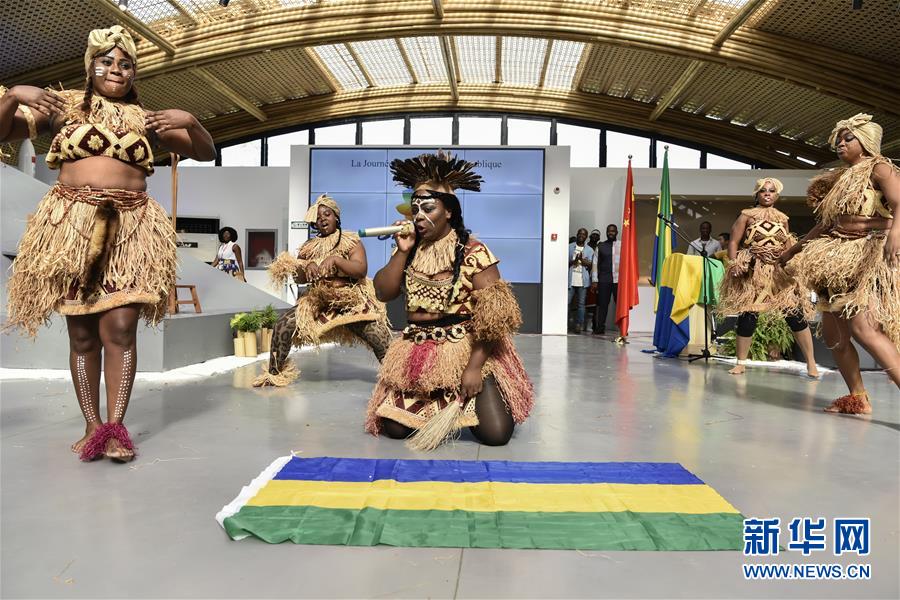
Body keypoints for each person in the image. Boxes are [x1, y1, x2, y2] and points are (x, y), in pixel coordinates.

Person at [1, 26, 216, 462]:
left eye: (125, 63)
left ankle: (116, 427)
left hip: (131, 229)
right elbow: (3, 133)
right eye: (106, 61)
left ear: (134, 72)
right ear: (90, 66)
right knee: (82, 337)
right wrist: (12, 96)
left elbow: (206, 152)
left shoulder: (149, 120)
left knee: (120, 328)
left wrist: (190, 121)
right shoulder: (62, 108)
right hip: (71, 227)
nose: (116, 70)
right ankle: (91, 425)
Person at [366, 151, 534, 450]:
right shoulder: (410, 249)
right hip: (417, 349)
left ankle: (454, 404)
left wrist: (473, 368)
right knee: (394, 429)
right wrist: (402, 251)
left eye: (428, 208)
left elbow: (493, 320)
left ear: (449, 212)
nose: (418, 216)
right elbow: (382, 292)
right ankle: (441, 408)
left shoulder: (474, 252)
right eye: (414, 208)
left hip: (467, 348)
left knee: (495, 435)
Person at [781, 114, 900, 414]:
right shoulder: (838, 178)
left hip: (867, 255)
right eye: (839, 139)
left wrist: (895, 234)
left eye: (849, 138)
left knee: (865, 329)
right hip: (834, 260)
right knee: (835, 336)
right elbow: (825, 225)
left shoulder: (880, 168)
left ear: (867, 141)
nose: (840, 143)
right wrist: (792, 250)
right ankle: (857, 397)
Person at [253, 194, 393, 386]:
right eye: (318, 218)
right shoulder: (308, 247)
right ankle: (274, 374)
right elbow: (298, 278)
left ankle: (396, 376)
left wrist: (336, 260)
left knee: (377, 333)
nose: (323, 219)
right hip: (317, 299)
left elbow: (361, 270)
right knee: (282, 325)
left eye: (327, 214)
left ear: (336, 216)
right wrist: (306, 266)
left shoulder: (350, 240)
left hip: (349, 299)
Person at [717, 178, 818, 378]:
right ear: (757, 194)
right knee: (748, 316)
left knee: (795, 315)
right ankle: (741, 362)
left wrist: (793, 267)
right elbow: (734, 241)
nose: (767, 194)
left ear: (777, 195)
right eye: (763, 191)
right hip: (755, 271)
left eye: (771, 191)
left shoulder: (783, 218)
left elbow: (788, 245)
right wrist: (734, 263)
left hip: (779, 272)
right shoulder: (747, 215)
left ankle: (811, 363)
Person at [590, 224, 620, 335]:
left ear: (616, 232)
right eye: (609, 231)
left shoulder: (622, 245)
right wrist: (594, 280)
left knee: (620, 305)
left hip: (618, 280)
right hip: (604, 280)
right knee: (602, 305)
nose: (610, 233)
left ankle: (623, 328)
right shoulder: (601, 246)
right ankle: (600, 328)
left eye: (613, 231)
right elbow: (595, 263)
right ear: (606, 232)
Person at [568, 228, 593, 333]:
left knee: (581, 304)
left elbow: (591, 264)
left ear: (586, 236)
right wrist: (574, 261)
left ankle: (578, 325)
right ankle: (564, 324)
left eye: (584, 234)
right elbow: (564, 262)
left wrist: (581, 260)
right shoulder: (569, 247)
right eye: (580, 233)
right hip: (570, 279)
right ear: (577, 234)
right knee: (566, 303)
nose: (581, 235)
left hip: (583, 281)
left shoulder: (589, 250)